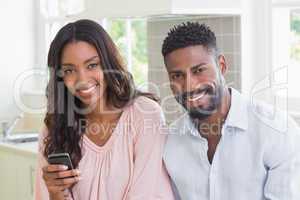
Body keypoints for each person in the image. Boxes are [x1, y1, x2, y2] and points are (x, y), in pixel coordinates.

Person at [34, 19, 174, 200]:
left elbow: (149, 193)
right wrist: (55, 194)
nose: (82, 79)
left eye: (92, 65)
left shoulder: (145, 114)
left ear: (109, 64)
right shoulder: (53, 129)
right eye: (69, 70)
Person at [161, 22, 300, 200]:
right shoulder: (171, 142)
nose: (190, 85)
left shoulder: (277, 130)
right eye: (177, 75)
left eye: (199, 70)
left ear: (222, 66)